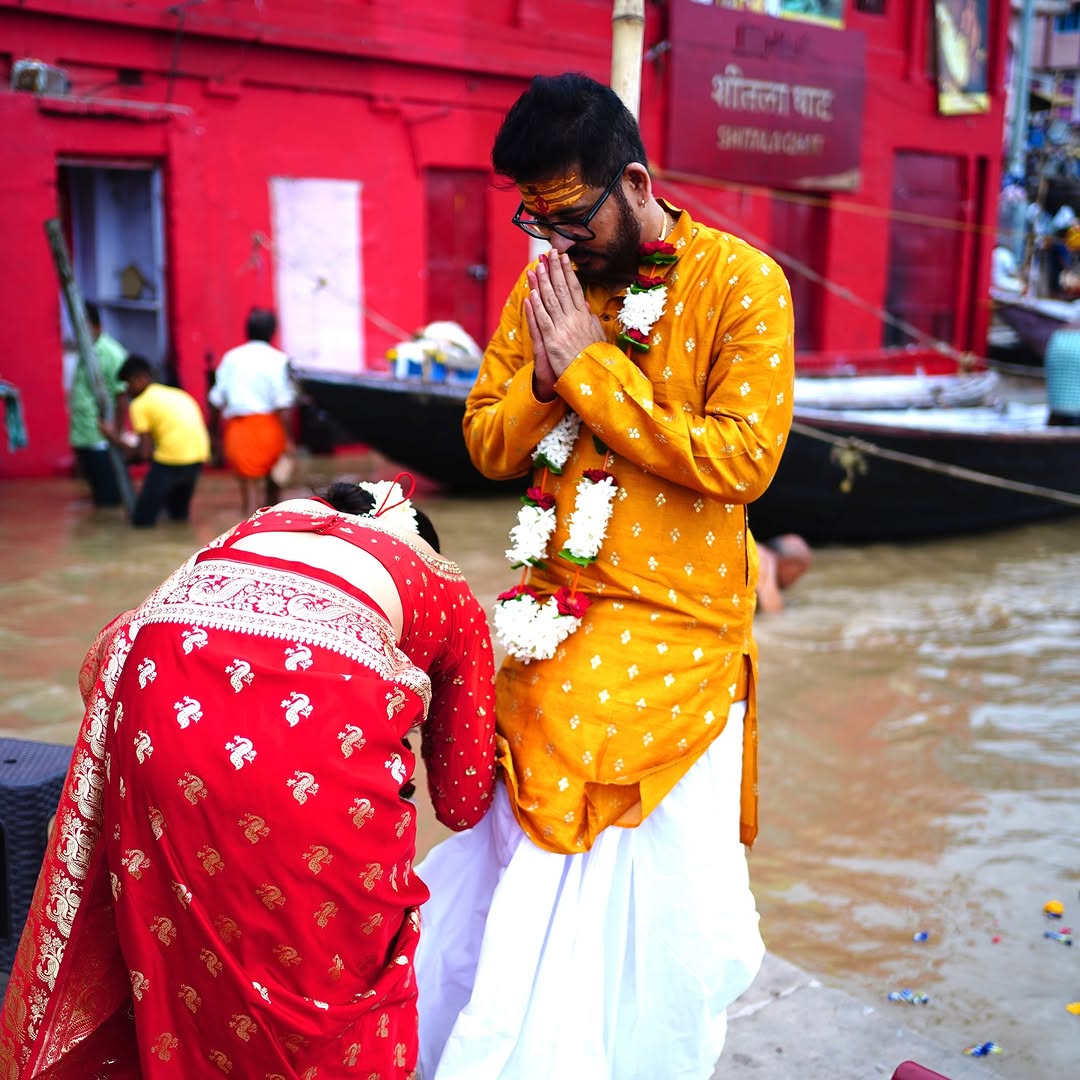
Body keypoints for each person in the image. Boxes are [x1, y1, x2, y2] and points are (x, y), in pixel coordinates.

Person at [413, 73, 795, 1078]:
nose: (556, 240)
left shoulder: (742, 283)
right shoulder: (549, 288)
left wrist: (590, 369)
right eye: (535, 219)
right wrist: (546, 381)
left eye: (571, 216)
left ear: (634, 183)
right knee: (514, 728)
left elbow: (744, 459)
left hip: (678, 625)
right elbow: (486, 444)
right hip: (552, 607)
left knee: (581, 748)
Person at [0, 478, 497, 1078]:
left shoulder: (255, 528)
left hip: (156, 711)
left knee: (182, 959)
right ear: (422, 544)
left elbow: (122, 641)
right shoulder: (443, 586)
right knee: (336, 988)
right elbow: (463, 800)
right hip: (309, 754)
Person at [99, 354, 211, 527]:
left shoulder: (140, 403)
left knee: (142, 520)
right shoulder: (174, 393)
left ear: (141, 378)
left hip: (171, 460)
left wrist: (112, 437)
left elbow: (144, 453)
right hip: (198, 457)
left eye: (128, 383)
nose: (127, 390)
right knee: (178, 516)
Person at [209, 307, 297, 515]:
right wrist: (289, 439)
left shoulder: (231, 359)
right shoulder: (279, 359)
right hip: (271, 430)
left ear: (247, 331)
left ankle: (248, 530)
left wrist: (214, 436)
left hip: (238, 430)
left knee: (249, 498)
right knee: (274, 493)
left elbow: (215, 400)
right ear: (272, 332)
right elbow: (283, 404)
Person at [68, 300, 128, 506]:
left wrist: (116, 431)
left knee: (108, 497)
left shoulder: (111, 353)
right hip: (83, 432)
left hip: (100, 435)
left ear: (97, 326)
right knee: (97, 494)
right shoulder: (87, 351)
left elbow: (122, 394)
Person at [754, 532, 813, 614]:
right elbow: (773, 613)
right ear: (790, 564)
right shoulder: (762, 557)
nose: (794, 582)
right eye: (798, 575)